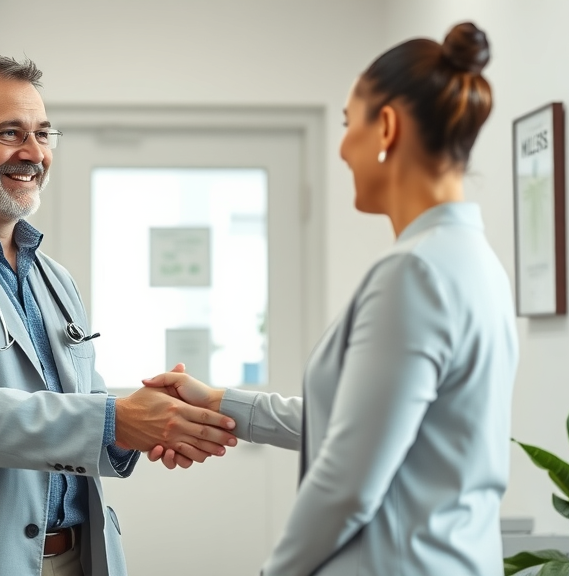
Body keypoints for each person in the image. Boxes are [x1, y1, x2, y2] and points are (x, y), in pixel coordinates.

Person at [145, 22, 518, 576]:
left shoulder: (414, 273)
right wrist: (220, 401)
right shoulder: (472, 261)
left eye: (348, 124)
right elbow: (361, 426)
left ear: (386, 126)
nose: (343, 149)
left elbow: (346, 484)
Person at [0, 54, 237, 576]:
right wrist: (118, 419)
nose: (35, 153)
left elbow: (83, 412)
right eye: (10, 133)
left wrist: (147, 427)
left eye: (44, 134)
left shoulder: (53, 277)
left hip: (78, 557)